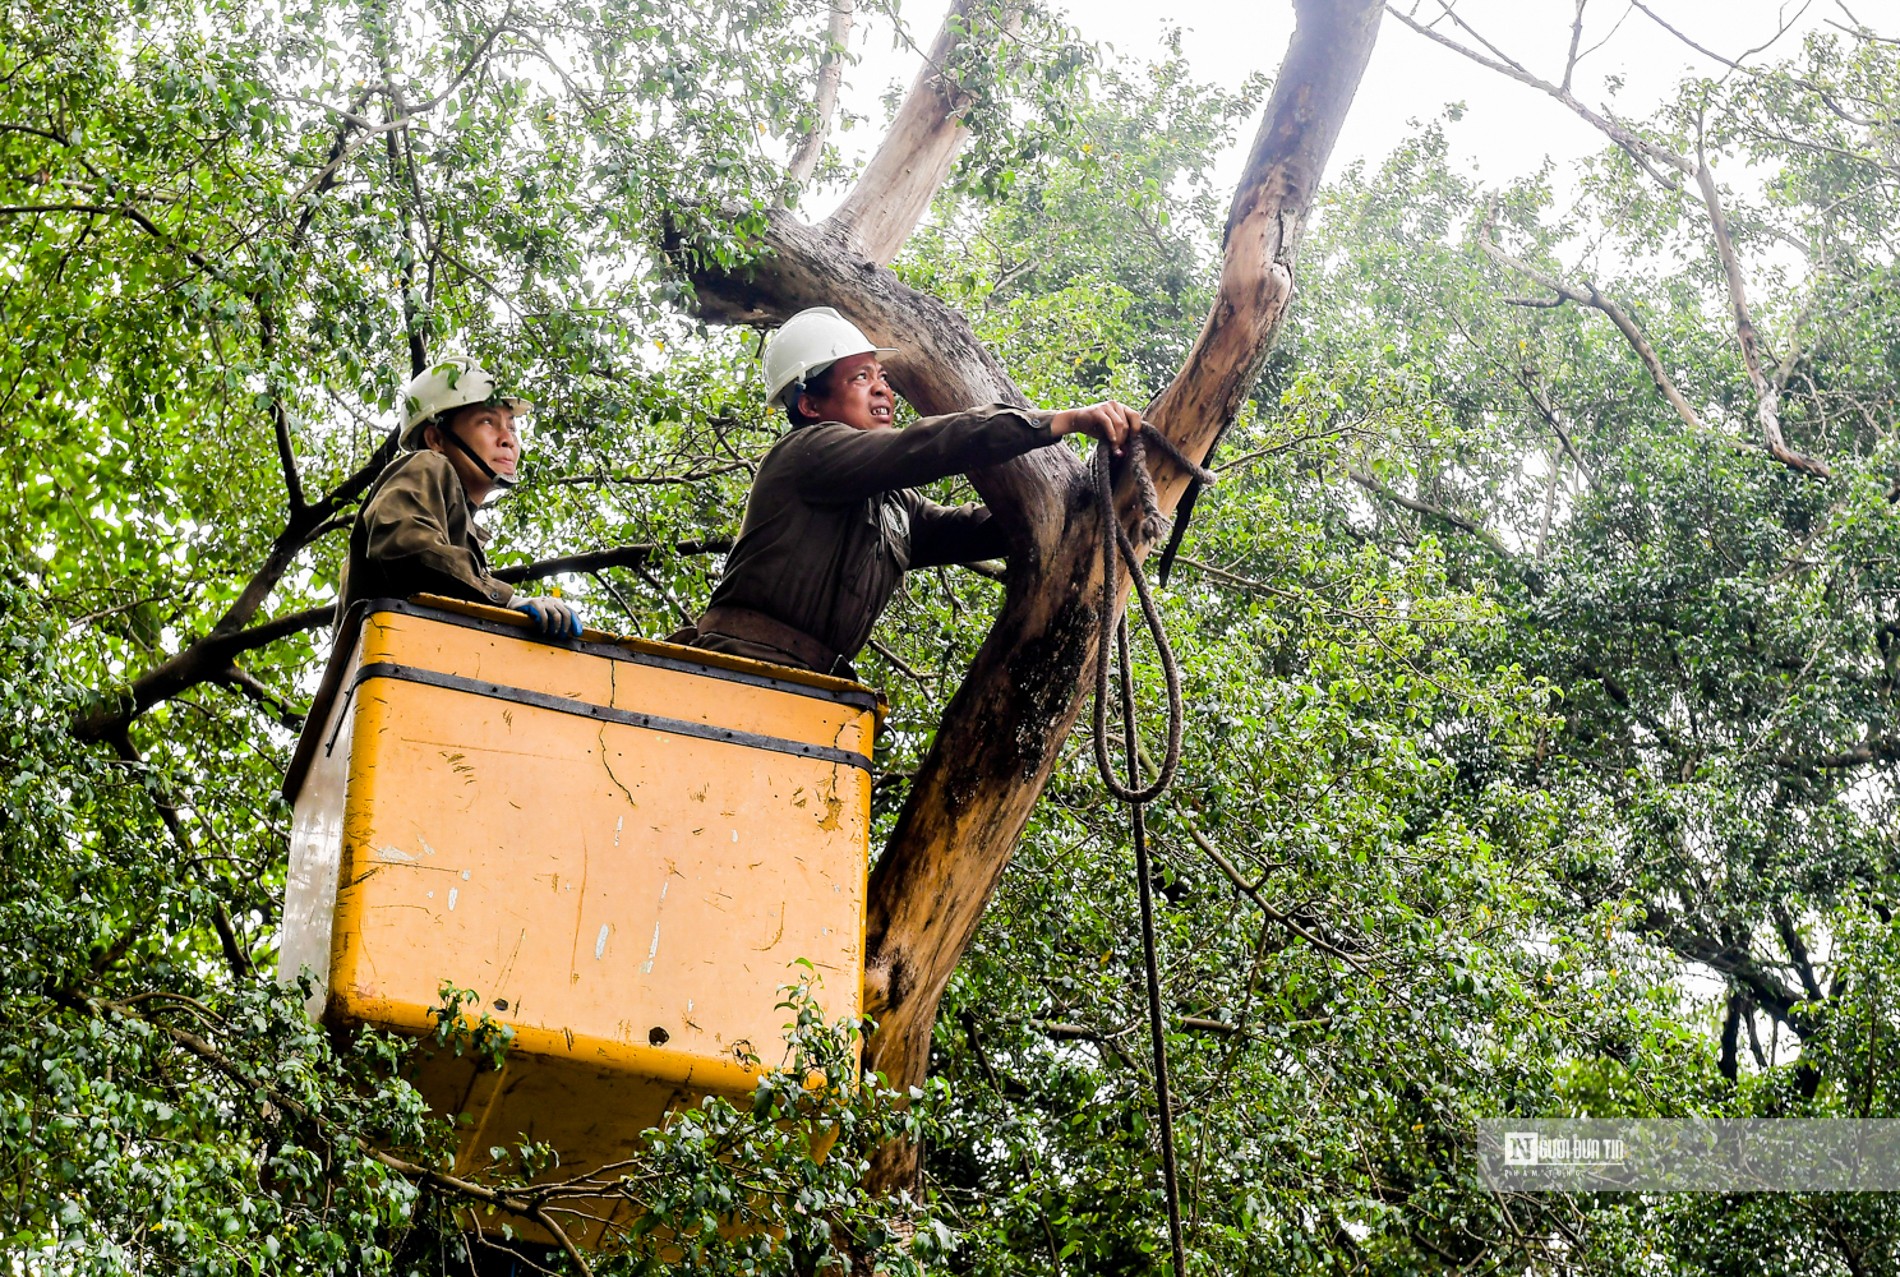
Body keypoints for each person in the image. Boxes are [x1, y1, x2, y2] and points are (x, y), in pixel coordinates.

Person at [679, 307, 1140, 676]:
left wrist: (1094, 489)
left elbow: (978, 529)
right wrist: (1059, 421)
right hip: (733, 668)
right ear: (810, 405)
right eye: (860, 378)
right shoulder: (804, 453)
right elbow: (924, 445)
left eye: (883, 378)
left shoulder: (894, 508)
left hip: (810, 685)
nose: (883, 390)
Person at [340, 357, 581, 636]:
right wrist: (505, 600)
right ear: (437, 440)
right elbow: (404, 545)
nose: (508, 439)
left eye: (512, 427)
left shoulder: (457, 521)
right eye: (488, 422)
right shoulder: (428, 463)